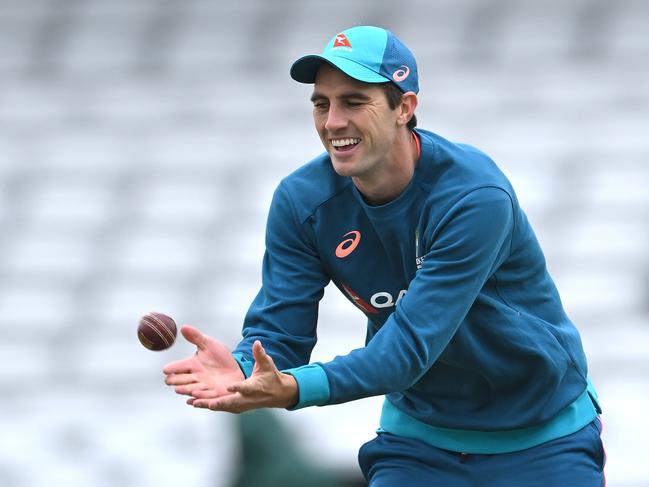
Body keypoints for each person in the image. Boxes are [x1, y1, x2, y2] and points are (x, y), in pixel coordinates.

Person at [163, 26, 606, 486]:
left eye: (354, 102)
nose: (332, 121)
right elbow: (280, 334)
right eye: (321, 104)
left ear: (405, 108)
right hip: (420, 443)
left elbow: (407, 351)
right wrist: (243, 369)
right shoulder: (301, 202)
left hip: (542, 434)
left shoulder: (474, 195)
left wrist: (293, 389)